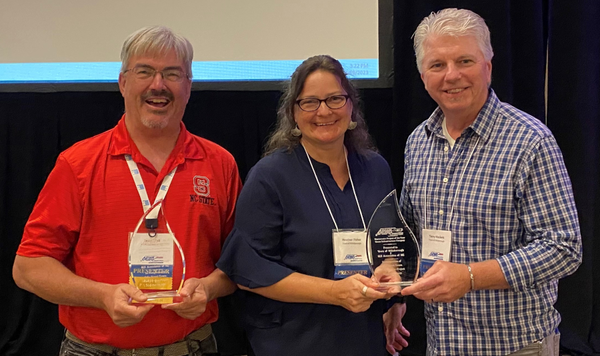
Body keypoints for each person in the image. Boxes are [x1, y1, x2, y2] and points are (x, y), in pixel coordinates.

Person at [12, 26, 242, 356]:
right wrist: (102, 296)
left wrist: (208, 288)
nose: (158, 85)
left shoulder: (219, 164)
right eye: (145, 72)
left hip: (192, 347)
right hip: (93, 350)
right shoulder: (78, 163)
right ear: (122, 82)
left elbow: (240, 264)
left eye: (172, 74)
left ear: (189, 87)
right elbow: (29, 268)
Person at [399, 8, 583, 356]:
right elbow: (410, 231)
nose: (451, 75)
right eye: (438, 65)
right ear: (423, 75)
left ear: (488, 66)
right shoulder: (417, 142)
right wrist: (391, 281)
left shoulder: (530, 141)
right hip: (442, 342)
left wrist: (469, 276)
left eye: (464, 60)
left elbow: (564, 248)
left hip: (514, 346)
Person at [216, 55, 409, 356]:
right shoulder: (269, 177)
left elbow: (390, 246)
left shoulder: (376, 169)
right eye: (310, 102)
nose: (324, 111)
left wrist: (393, 296)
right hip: (295, 341)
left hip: (365, 338)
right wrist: (334, 293)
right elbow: (249, 271)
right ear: (293, 112)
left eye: (335, 99)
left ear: (351, 106)